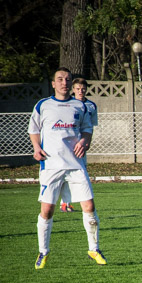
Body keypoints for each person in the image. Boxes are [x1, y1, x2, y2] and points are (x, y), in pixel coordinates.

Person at [29, 67, 105, 269]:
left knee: (89, 207)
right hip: (51, 165)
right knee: (47, 210)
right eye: (60, 79)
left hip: (76, 165)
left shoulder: (80, 106)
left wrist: (85, 141)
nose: (64, 82)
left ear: (71, 83)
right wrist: (36, 147)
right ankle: (43, 252)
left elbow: (87, 130)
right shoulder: (43, 105)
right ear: (53, 84)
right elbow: (34, 129)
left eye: (68, 79)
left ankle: (94, 249)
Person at [60, 77, 99, 212]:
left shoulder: (91, 106)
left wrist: (87, 141)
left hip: (81, 144)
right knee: (66, 172)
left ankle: (81, 203)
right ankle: (65, 202)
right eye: (78, 89)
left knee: (81, 173)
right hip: (68, 144)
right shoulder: (67, 104)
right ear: (73, 89)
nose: (80, 91)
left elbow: (90, 127)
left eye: (83, 89)